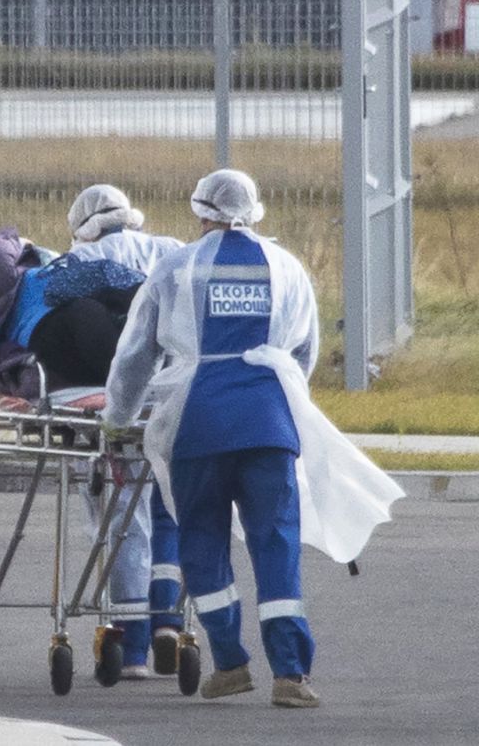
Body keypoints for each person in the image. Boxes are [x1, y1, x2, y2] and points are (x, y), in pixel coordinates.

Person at [102, 169, 404, 708]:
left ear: (202, 213)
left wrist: (117, 417)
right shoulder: (286, 267)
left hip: (197, 421)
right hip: (268, 422)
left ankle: (230, 662)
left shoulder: (175, 270)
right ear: (254, 209)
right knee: (276, 545)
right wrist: (280, 400)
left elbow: (134, 357)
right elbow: (302, 353)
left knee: (203, 541)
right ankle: (291, 674)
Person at [66, 184, 185, 680]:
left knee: (122, 520)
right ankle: (170, 621)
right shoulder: (173, 251)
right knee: (170, 510)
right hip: (173, 397)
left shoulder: (77, 262)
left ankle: (132, 645)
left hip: (112, 400)